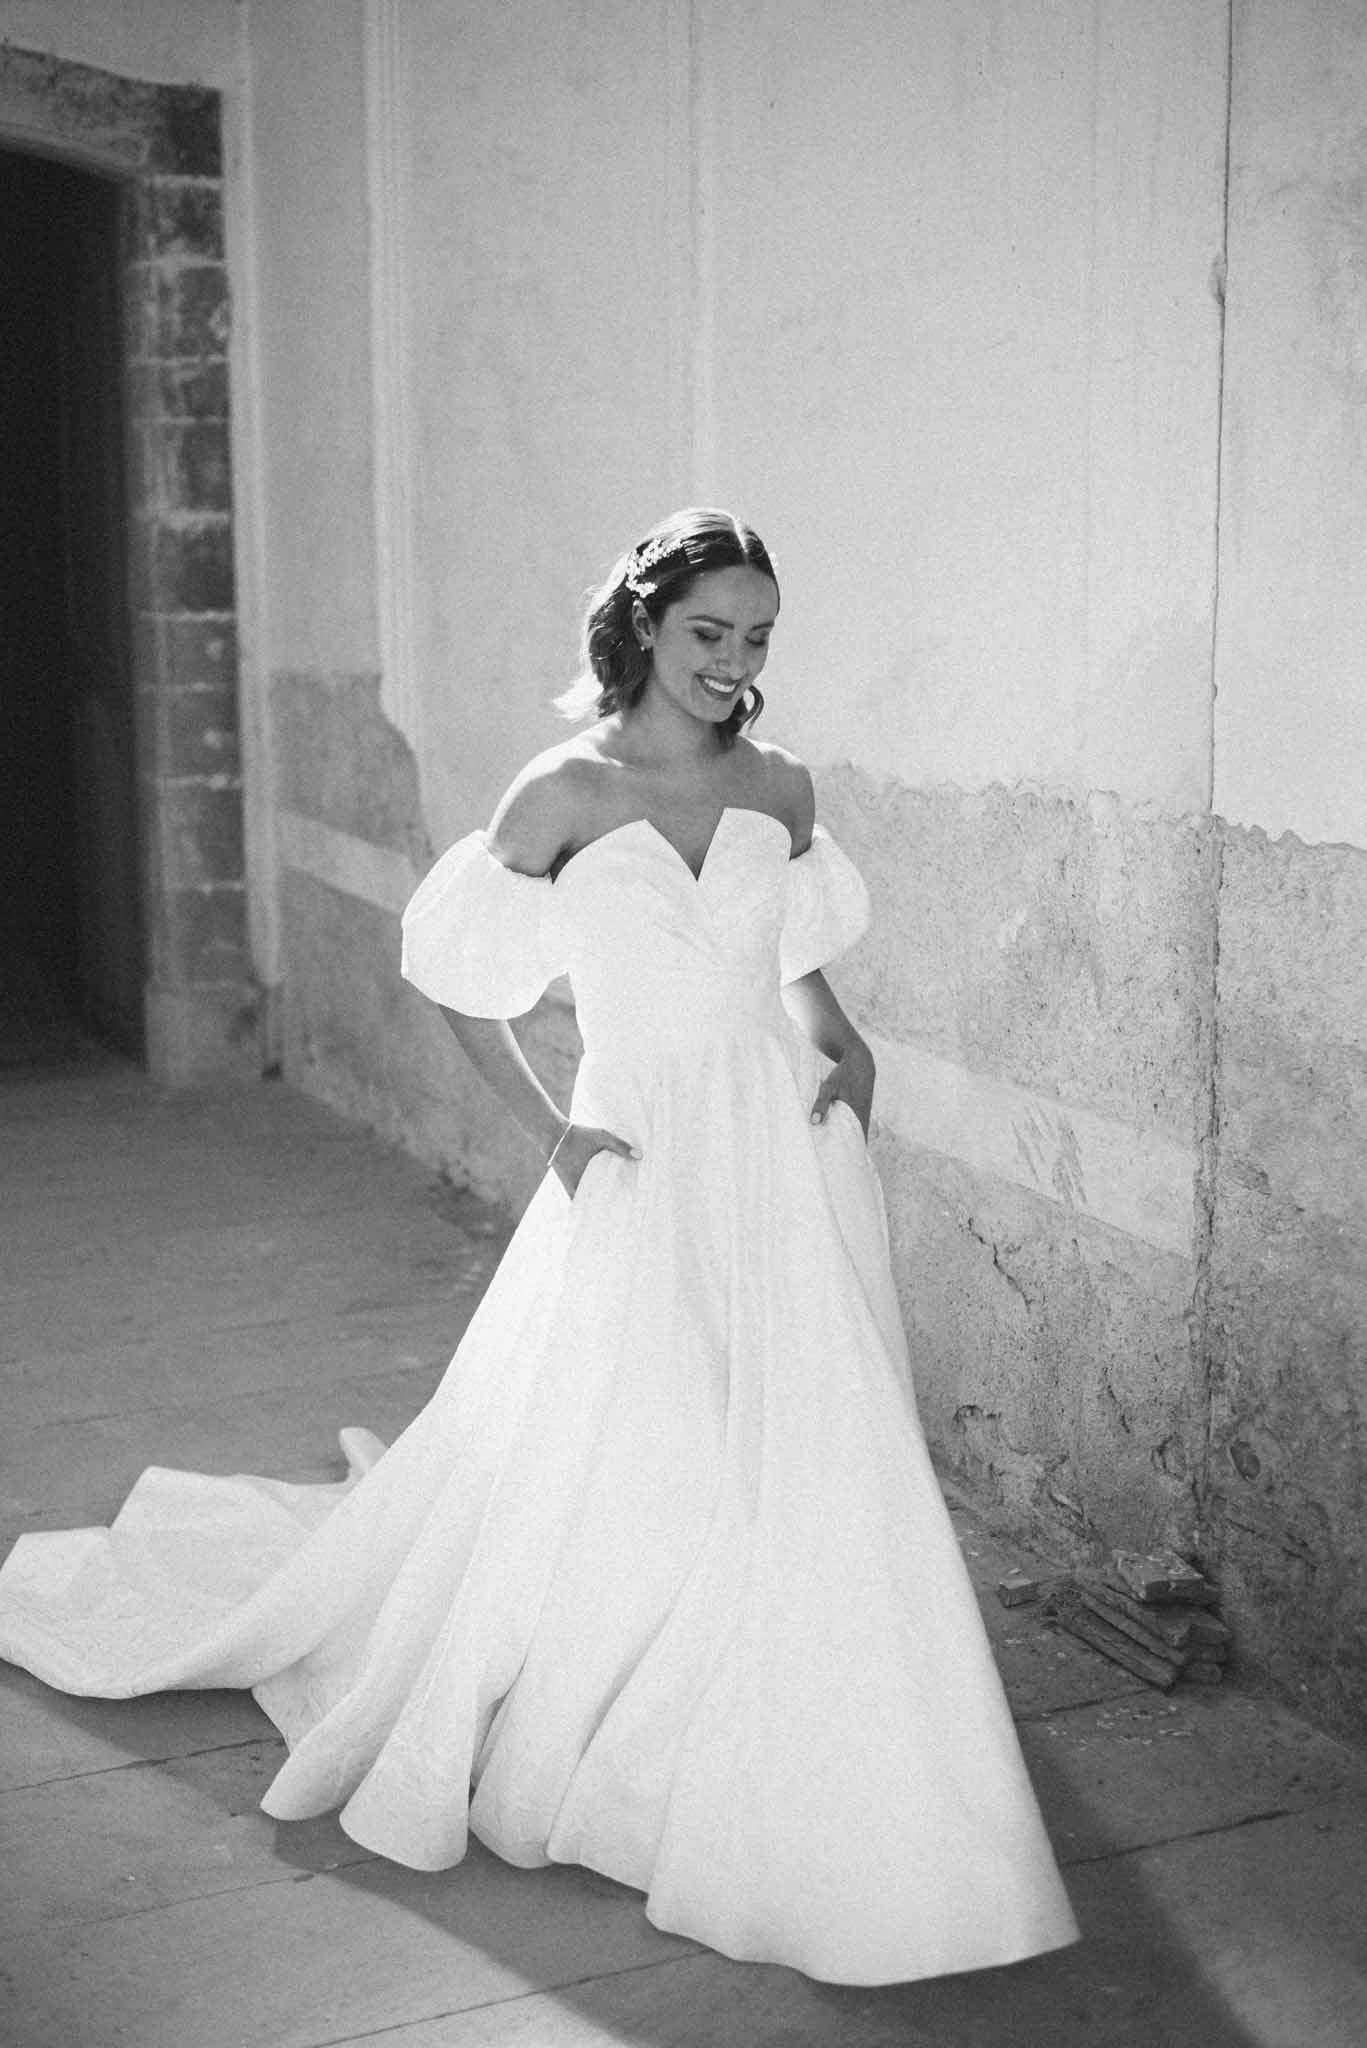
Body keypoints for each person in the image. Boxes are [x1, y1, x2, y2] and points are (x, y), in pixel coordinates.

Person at [0, 509, 1079, 1985]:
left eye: (759, 639)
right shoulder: (563, 791)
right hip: (637, 1144)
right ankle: (628, 1693)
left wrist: (842, 1039)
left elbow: (788, 941)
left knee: (788, 1431)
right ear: (647, 626)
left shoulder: (781, 782)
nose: (736, 663)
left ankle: (782, 1694)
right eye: (710, 633)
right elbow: (456, 978)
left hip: (771, 1139)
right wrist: (550, 1132)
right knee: (628, 1429)